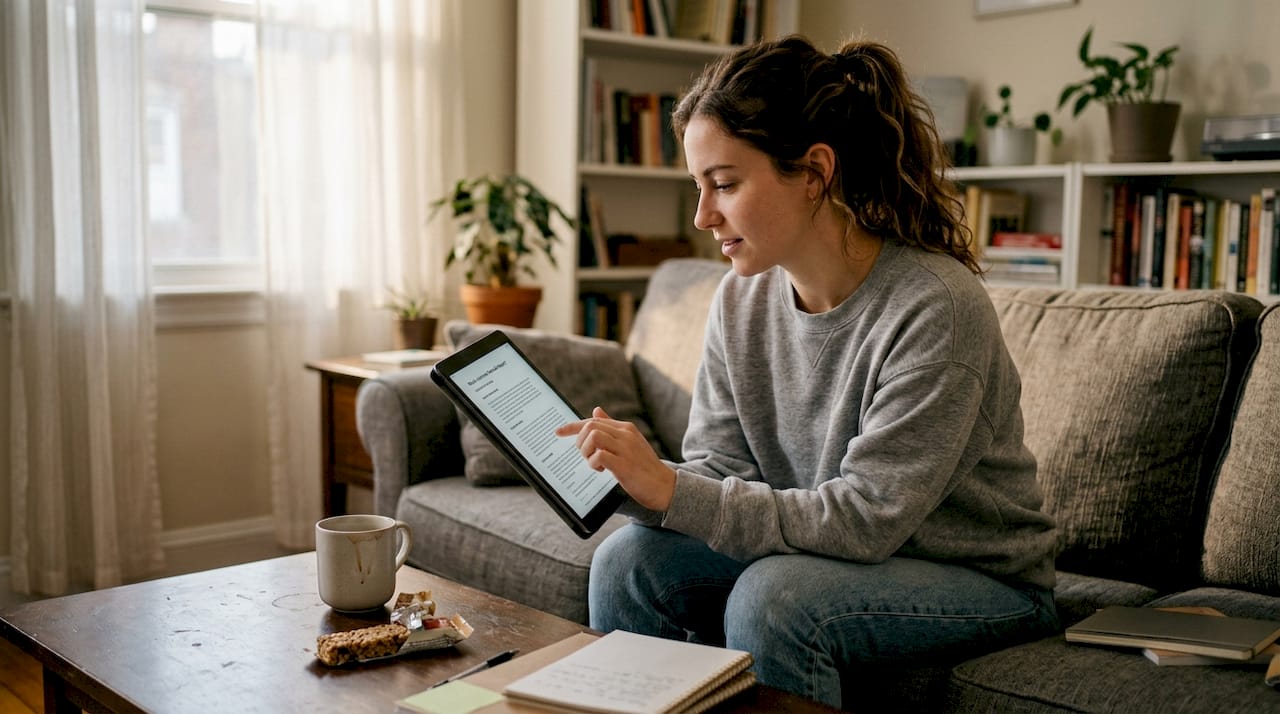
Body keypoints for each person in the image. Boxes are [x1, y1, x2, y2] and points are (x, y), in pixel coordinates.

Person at [555, 34, 1059, 709]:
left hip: (978, 580)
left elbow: (863, 520)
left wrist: (672, 490)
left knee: (779, 599)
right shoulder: (740, 297)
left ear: (815, 172)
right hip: (828, 553)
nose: (704, 216)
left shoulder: (935, 308)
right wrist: (627, 486)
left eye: (725, 184)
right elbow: (720, 469)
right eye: (698, 188)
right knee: (626, 563)